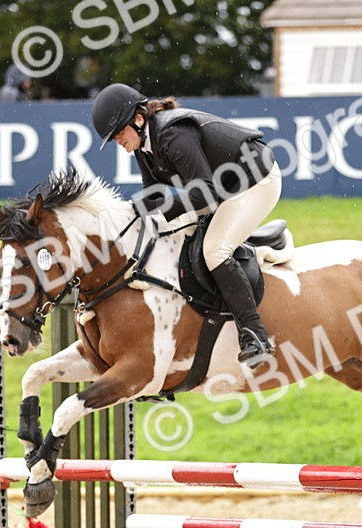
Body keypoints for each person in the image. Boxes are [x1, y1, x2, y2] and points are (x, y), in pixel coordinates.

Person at [91, 84, 280, 366]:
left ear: (138, 119)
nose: (118, 140)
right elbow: (154, 195)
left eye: (119, 132)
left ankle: (254, 334)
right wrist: (125, 216)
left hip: (256, 181)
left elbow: (203, 191)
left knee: (214, 250)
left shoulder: (172, 134)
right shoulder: (144, 146)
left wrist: (160, 213)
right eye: (114, 136)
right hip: (224, 189)